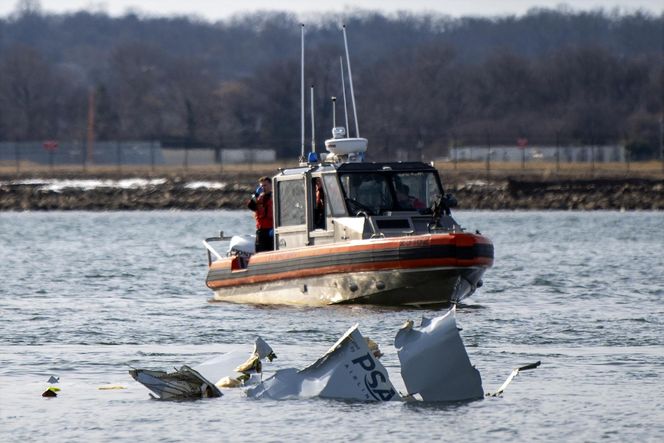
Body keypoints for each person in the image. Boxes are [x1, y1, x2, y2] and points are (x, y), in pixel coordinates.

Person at [247, 176, 274, 252]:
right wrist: (256, 194)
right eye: (261, 186)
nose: (263, 187)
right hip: (261, 231)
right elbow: (250, 206)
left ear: (271, 185)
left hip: (272, 230)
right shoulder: (258, 197)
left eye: (265, 185)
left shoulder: (275, 196)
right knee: (260, 251)